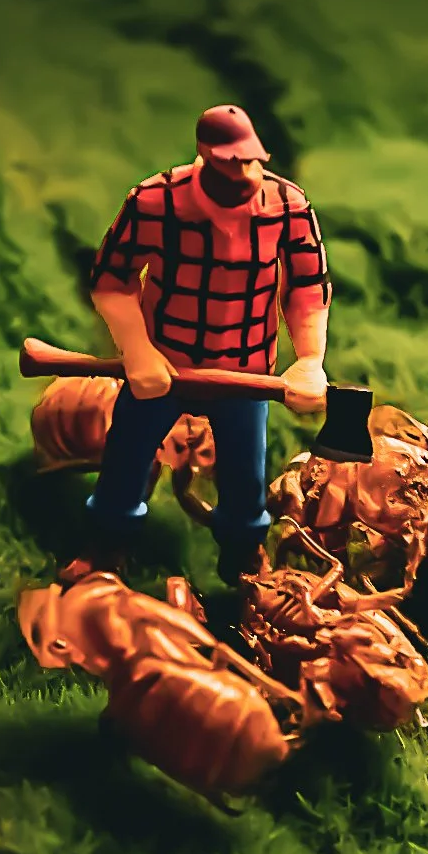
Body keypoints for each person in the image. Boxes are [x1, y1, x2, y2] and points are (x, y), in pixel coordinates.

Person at [71, 104, 333, 586]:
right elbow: (112, 280)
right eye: (232, 162)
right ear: (206, 156)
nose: (245, 173)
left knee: (244, 476)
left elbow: (307, 287)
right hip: (163, 367)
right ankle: (106, 545)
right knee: (126, 456)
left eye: (251, 160)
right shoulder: (155, 201)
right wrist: (138, 351)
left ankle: (244, 555)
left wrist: (310, 361)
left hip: (245, 372)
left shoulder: (288, 205)